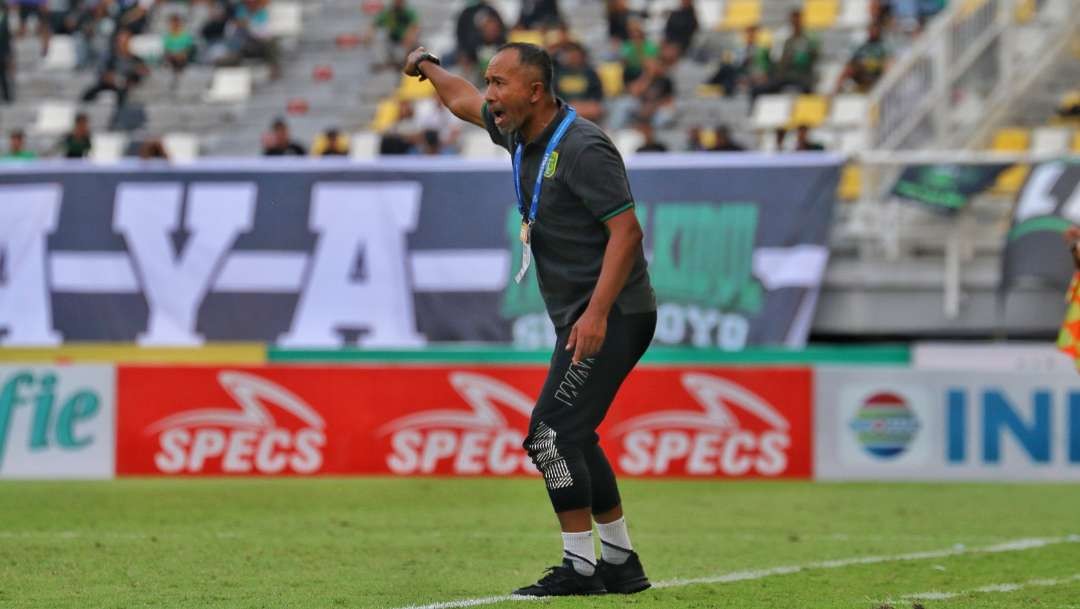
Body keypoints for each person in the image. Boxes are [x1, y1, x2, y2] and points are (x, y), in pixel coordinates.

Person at [403, 42, 657, 597]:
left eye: (500, 83)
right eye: (490, 81)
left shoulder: (584, 147)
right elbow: (461, 101)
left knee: (548, 435)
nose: (490, 94)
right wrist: (427, 66)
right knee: (574, 434)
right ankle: (619, 559)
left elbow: (627, 233)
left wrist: (595, 316)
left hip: (613, 315)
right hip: (586, 316)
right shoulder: (519, 131)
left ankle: (580, 567)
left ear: (535, 91)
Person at [80, 29, 149, 107]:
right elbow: (104, 74)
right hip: (112, 86)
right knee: (89, 94)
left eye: (126, 41)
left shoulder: (136, 59)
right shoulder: (110, 58)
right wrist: (117, 79)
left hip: (130, 87)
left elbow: (144, 73)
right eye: (121, 41)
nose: (123, 44)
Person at [553, 42, 604, 123]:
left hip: (586, 106)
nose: (573, 57)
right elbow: (553, 96)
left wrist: (582, 106)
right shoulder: (557, 73)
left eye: (576, 54)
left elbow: (597, 96)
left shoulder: (590, 72)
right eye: (570, 54)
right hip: (564, 107)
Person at [835, 22, 891, 94]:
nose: (872, 32)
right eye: (871, 30)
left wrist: (873, 63)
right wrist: (862, 63)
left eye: (875, 30)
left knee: (888, 66)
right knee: (848, 68)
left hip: (877, 73)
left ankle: (884, 91)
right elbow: (853, 60)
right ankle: (835, 93)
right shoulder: (863, 46)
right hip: (863, 72)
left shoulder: (883, 46)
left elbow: (888, 61)